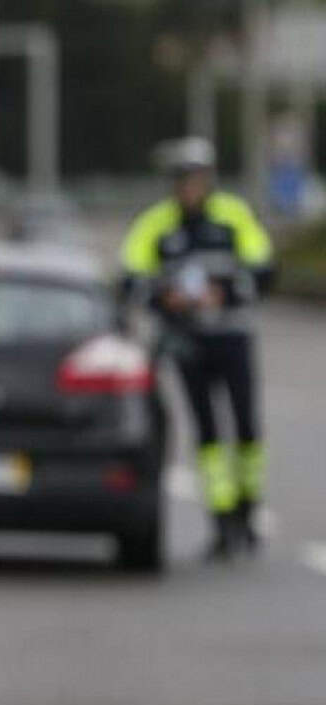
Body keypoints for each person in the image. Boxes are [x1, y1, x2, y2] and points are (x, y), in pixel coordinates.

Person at [120, 136, 274, 558]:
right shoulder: (156, 224)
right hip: (187, 343)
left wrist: (223, 294)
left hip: (231, 336)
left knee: (245, 426)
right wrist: (163, 297)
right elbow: (130, 278)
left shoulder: (233, 217)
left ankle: (248, 505)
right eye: (182, 181)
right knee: (206, 432)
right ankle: (222, 519)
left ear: (208, 181)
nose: (190, 188)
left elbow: (263, 270)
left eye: (196, 180)